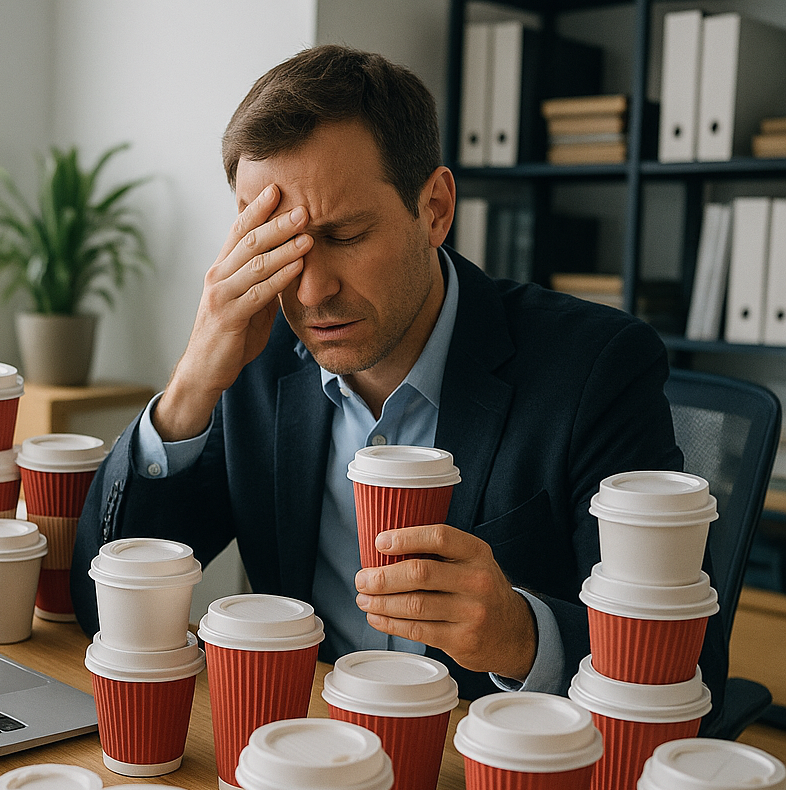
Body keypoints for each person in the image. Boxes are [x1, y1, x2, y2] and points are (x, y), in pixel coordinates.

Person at [71, 44, 726, 731]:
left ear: (436, 208)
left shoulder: (595, 368)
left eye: (345, 234)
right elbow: (106, 606)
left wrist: (524, 635)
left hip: (486, 776)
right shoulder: (253, 360)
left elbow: (691, 671)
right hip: (305, 754)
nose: (312, 290)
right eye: (276, 243)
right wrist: (192, 384)